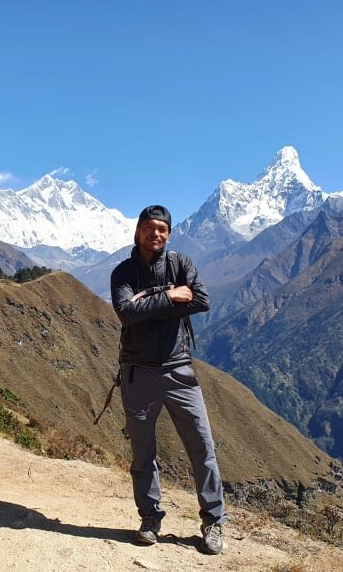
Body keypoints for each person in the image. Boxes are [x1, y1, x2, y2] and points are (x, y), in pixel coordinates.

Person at [110, 205, 226, 555]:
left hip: (179, 369)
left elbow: (202, 300)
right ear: (137, 231)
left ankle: (213, 522)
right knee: (143, 452)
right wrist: (171, 296)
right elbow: (125, 312)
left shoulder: (181, 264)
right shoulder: (124, 272)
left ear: (169, 233)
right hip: (138, 372)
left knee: (202, 447)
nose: (155, 234)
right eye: (149, 228)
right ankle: (149, 519)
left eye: (161, 229)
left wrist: (148, 300)